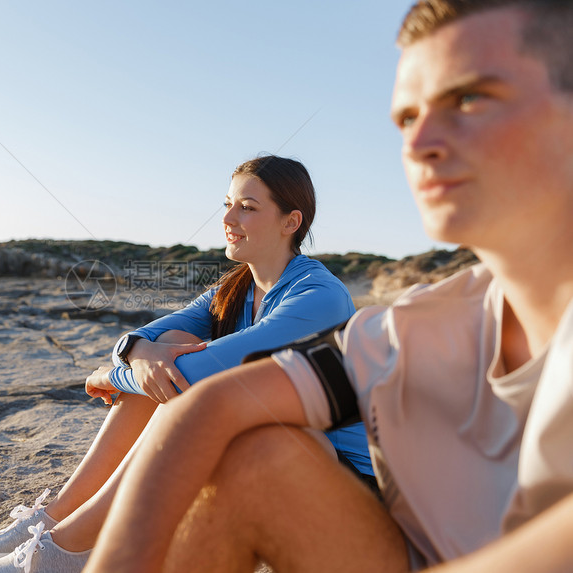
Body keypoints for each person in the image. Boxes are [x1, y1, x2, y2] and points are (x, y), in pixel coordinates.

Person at [83, 1, 573, 572]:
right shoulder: (423, 324)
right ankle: (65, 545)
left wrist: (117, 368)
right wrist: (130, 354)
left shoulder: (319, 296)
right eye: (408, 118)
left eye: (470, 98)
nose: (418, 146)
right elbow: (210, 404)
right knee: (255, 450)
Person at [0, 155, 372, 572]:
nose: (229, 217)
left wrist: (111, 377)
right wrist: (132, 355)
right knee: (174, 346)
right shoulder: (234, 289)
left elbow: (197, 379)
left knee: (185, 380)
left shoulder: (317, 297)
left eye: (247, 208)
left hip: (339, 481)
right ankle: (59, 517)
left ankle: (71, 544)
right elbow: (148, 338)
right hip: (279, 452)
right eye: (227, 204)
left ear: (291, 222)